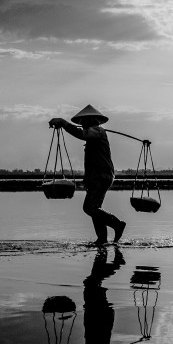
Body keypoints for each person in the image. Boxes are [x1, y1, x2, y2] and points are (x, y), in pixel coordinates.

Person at [49, 105, 127, 246]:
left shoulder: (98, 131)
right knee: (96, 208)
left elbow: (82, 134)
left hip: (101, 176)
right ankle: (102, 239)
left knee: (89, 208)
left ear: (91, 120)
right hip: (97, 177)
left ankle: (117, 224)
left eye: (85, 121)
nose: (83, 124)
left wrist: (63, 123)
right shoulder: (94, 132)